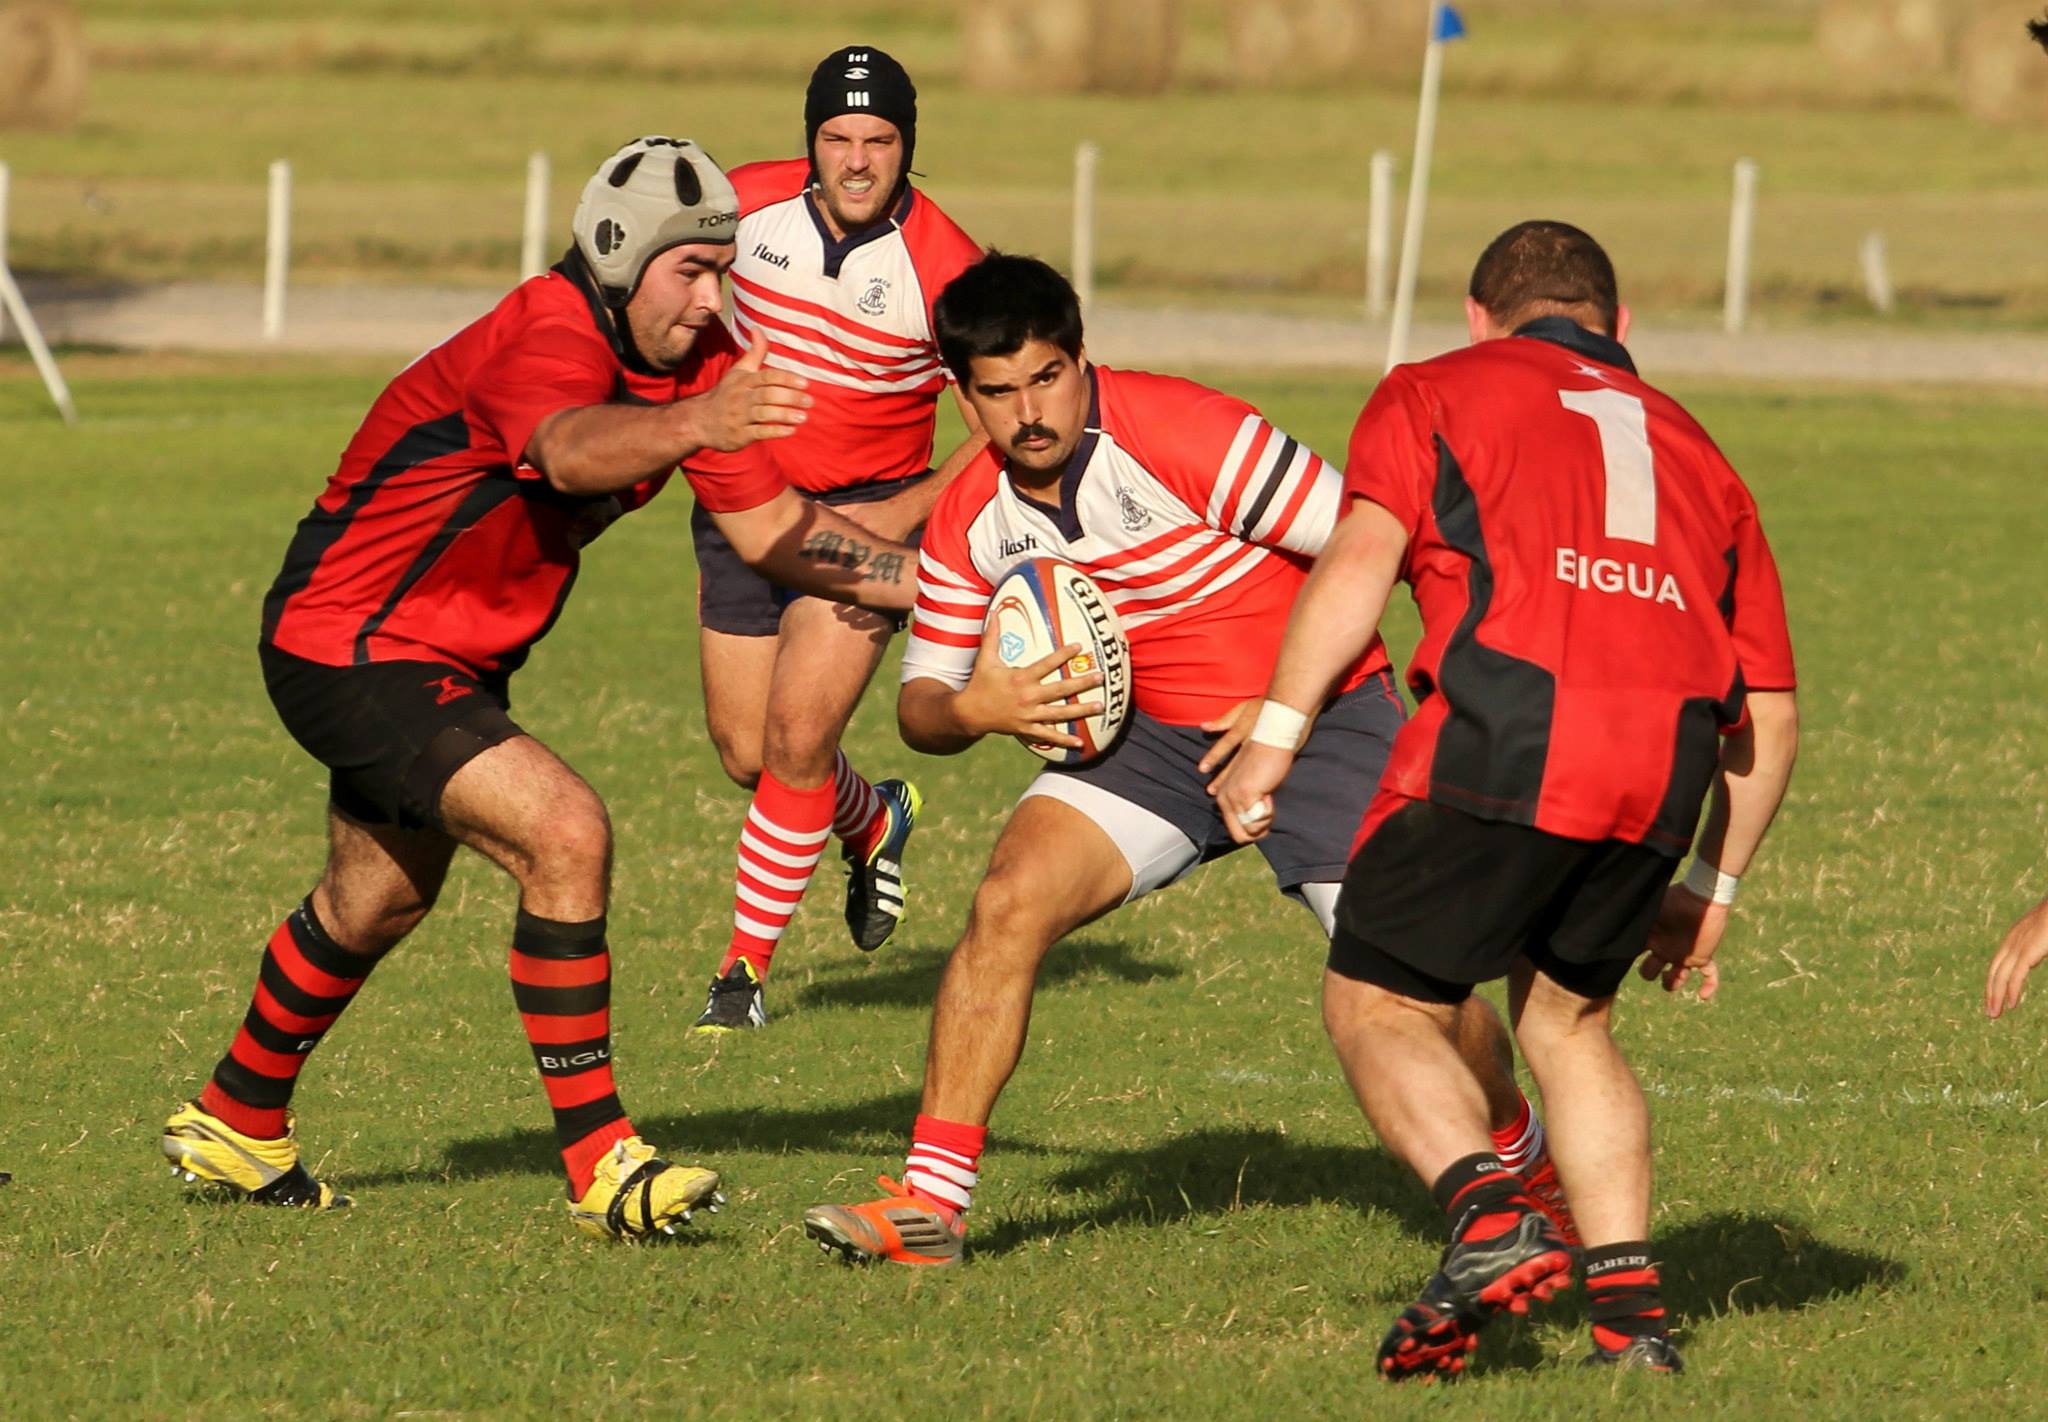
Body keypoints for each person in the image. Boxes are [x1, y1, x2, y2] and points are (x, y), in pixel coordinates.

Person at [159, 137, 919, 1240]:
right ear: (619, 254)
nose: (712, 303)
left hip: (434, 659)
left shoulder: (693, 367)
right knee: (565, 832)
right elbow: (564, 449)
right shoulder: (546, 331)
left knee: (375, 900)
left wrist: (938, 584)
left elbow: (774, 532)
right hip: (350, 639)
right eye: (690, 273)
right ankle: (604, 1163)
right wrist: (694, 425)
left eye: (723, 275)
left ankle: (235, 1120)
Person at [800, 254, 1573, 1266]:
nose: (1027, 412)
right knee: (1005, 904)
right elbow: (918, 709)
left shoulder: (1183, 431)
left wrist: (1282, 704)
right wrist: (975, 708)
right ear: (963, 395)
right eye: (997, 392)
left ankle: (1520, 1152)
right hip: (1150, 741)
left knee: (1407, 984)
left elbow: (1370, 546)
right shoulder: (971, 518)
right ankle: (930, 1210)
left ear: (1082, 359)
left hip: (1322, 715)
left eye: (1046, 378)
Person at [1213, 221, 1799, 1376]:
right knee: (1567, 1022)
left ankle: (1485, 1218)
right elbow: (1769, 715)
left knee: (1376, 1000)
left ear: (1480, 318)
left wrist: (1273, 739)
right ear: (1617, 327)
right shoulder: (1700, 449)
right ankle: (1632, 1330)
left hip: (1511, 734)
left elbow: (1354, 564)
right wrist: (1710, 891)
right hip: (1666, 767)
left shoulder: (1433, 388)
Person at [690, 45, 988, 1033]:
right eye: (836, 138)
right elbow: (670, 293)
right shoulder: (740, 206)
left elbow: (1006, 421)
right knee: (745, 753)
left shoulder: (948, 267)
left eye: (880, 140)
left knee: (795, 738)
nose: (857, 160)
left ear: (907, 147)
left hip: (864, 522)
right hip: (743, 503)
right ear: (808, 141)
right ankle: (871, 817)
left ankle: (738, 980)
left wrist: (899, 519)